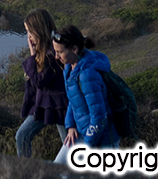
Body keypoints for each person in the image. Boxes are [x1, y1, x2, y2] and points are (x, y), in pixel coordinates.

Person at [52, 25, 118, 164]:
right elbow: (73, 100)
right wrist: (70, 125)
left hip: (101, 141)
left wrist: (87, 147)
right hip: (81, 133)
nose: (56, 57)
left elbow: (99, 118)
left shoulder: (87, 76)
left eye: (60, 52)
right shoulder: (69, 68)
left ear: (74, 49)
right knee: (57, 168)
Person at [16, 9, 68, 158]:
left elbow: (39, 81)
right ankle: (25, 171)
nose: (29, 37)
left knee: (69, 145)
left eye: (30, 32)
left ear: (39, 31)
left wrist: (32, 56)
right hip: (44, 104)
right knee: (22, 136)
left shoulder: (54, 52)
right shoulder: (45, 49)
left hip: (59, 105)